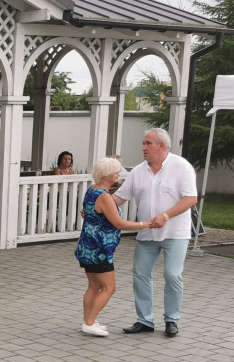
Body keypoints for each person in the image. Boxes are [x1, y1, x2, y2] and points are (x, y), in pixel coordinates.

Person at [113, 128, 198, 337]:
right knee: (140, 274)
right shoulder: (138, 171)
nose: (143, 148)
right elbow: (119, 197)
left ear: (161, 145)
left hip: (175, 233)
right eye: (143, 144)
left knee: (172, 274)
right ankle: (145, 321)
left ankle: (171, 320)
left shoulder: (181, 167)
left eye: (147, 143)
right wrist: (95, 205)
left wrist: (166, 216)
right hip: (146, 233)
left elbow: (190, 198)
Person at [75, 157, 154, 337]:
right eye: (116, 172)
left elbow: (90, 213)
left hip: (87, 246)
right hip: (100, 249)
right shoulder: (104, 196)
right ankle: (89, 323)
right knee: (109, 288)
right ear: (106, 175)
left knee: (94, 286)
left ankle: (89, 320)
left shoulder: (92, 190)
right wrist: (146, 224)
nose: (118, 175)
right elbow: (119, 223)